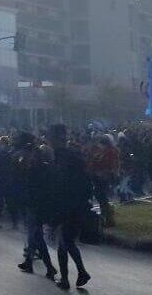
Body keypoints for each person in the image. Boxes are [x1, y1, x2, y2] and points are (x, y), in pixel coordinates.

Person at [46, 124, 91, 291]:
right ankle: (80, 272)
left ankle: (67, 278)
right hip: (77, 204)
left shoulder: (59, 157)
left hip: (66, 204)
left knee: (64, 242)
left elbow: (58, 183)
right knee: (67, 241)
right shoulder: (75, 154)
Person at [16, 133, 57, 279]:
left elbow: (31, 187)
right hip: (37, 204)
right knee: (35, 236)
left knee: (36, 235)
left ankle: (48, 266)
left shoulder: (36, 171)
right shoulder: (43, 169)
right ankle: (31, 262)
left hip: (35, 205)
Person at [86, 134, 120, 227]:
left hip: (104, 177)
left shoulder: (110, 152)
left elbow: (111, 165)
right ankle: (107, 216)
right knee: (100, 196)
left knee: (102, 197)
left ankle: (109, 217)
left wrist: (109, 173)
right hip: (98, 176)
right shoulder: (101, 151)